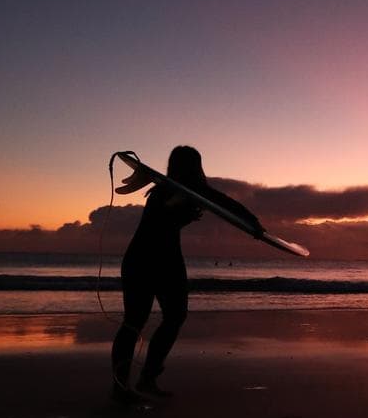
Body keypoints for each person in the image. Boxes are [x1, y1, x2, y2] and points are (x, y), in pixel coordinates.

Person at [110, 146, 262, 404]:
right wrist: (255, 225)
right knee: (135, 321)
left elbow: (226, 203)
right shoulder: (162, 192)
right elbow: (164, 215)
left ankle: (146, 379)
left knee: (174, 317)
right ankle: (121, 387)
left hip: (164, 260)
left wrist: (255, 226)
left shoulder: (194, 192)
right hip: (144, 260)